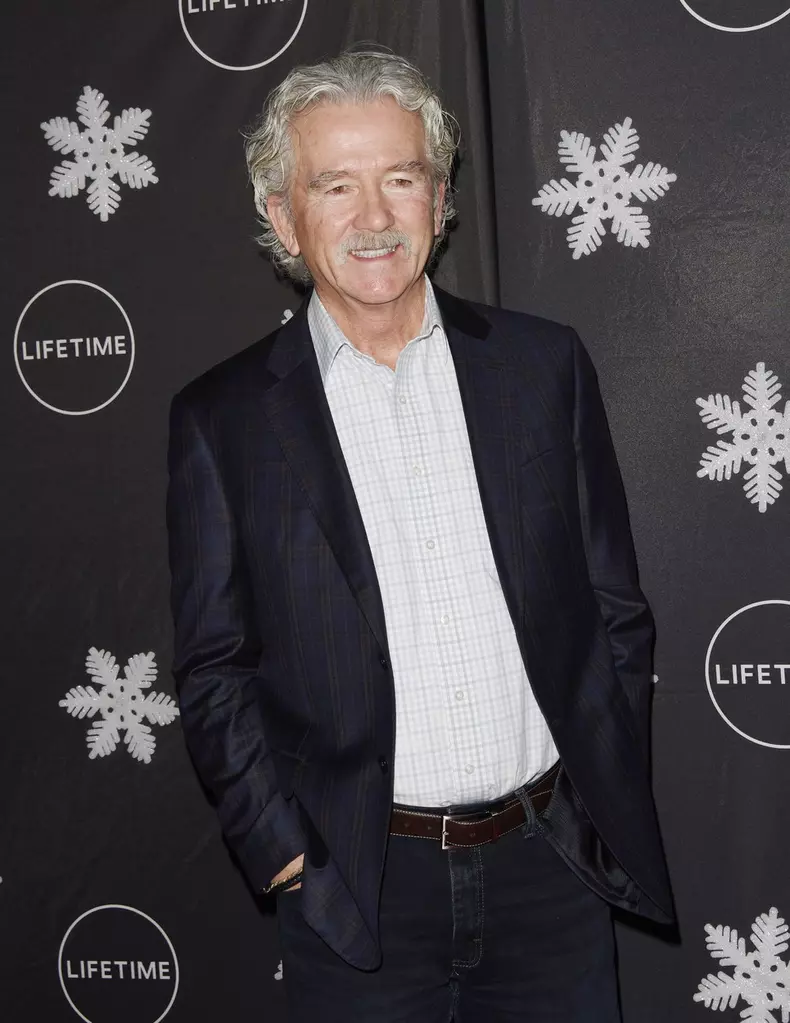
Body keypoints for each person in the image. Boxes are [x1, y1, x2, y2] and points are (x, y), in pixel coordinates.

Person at [166, 49, 674, 1023]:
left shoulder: (541, 368)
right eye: (335, 186)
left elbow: (613, 608)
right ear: (282, 215)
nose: (371, 217)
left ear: (438, 202)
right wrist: (282, 853)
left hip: (552, 868)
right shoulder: (222, 419)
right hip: (357, 892)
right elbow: (214, 665)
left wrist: (599, 790)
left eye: (399, 179)